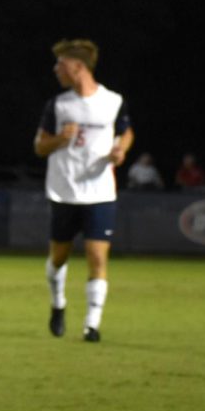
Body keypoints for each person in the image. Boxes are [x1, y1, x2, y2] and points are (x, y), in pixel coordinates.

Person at [34, 38, 134, 343]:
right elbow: (39, 147)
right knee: (59, 257)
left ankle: (91, 325)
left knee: (96, 257)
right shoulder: (58, 105)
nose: (55, 69)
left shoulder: (113, 101)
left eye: (60, 64)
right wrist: (59, 140)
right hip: (64, 192)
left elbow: (126, 132)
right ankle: (58, 304)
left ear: (77, 67)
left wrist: (121, 150)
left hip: (100, 191)